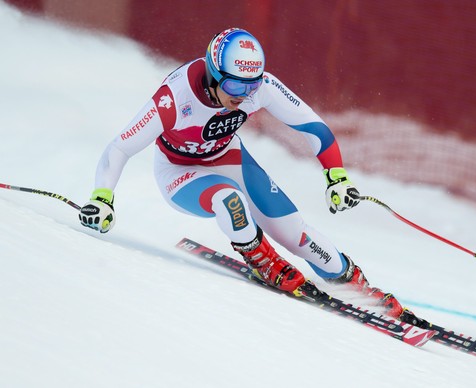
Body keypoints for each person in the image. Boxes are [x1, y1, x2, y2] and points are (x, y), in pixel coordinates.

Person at [79, 27, 421, 324]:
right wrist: (102, 198)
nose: (243, 95)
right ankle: (264, 260)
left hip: (229, 157)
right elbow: (119, 148)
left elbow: (314, 128)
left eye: (251, 87)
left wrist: (337, 177)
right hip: (179, 172)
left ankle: (356, 286)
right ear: (214, 75)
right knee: (230, 200)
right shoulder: (174, 98)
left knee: (294, 233)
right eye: (233, 85)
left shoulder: (258, 87)